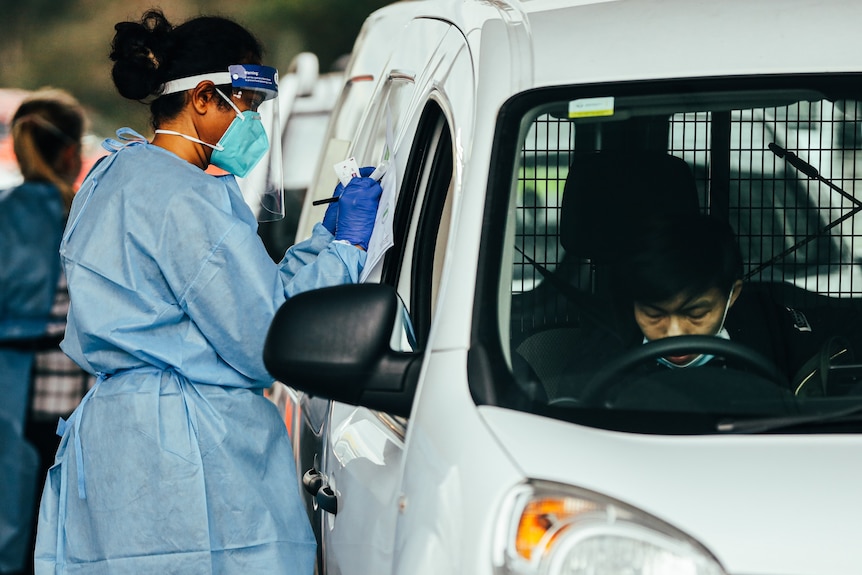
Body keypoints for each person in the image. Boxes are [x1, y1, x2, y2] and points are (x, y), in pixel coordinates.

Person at [33, 9, 381, 575]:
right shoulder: (190, 199)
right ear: (201, 97)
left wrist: (321, 246)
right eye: (246, 106)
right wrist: (342, 251)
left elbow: (230, 297)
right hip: (185, 448)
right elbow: (263, 334)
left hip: (114, 440)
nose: (254, 124)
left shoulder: (113, 176)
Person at [0, 88, 91, 575]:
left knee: (12, 526)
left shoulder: (4, 212)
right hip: (83, 404)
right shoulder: (90, 214)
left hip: (11, 397)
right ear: (73, 153)